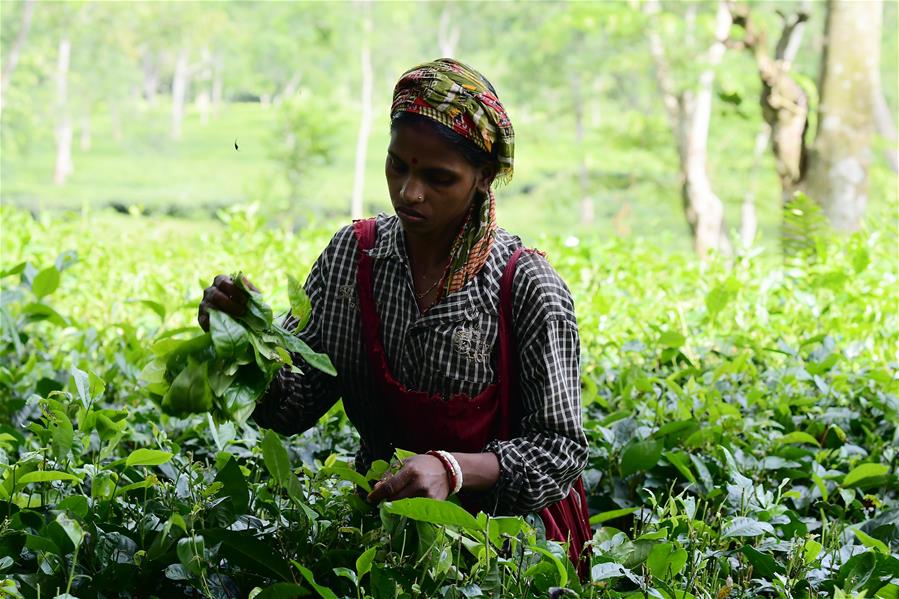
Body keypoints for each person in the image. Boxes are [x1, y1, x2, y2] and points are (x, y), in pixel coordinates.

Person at [198, 58, 591, 574]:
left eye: (438, 177)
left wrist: (452, 470)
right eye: (398, 166)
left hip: (509, 551)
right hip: (382, 533)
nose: (410, 192)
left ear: (484, 177)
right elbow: (292, 407)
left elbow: (559, 449)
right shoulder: (352, 260)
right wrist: (247, 338)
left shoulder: (525, 287)